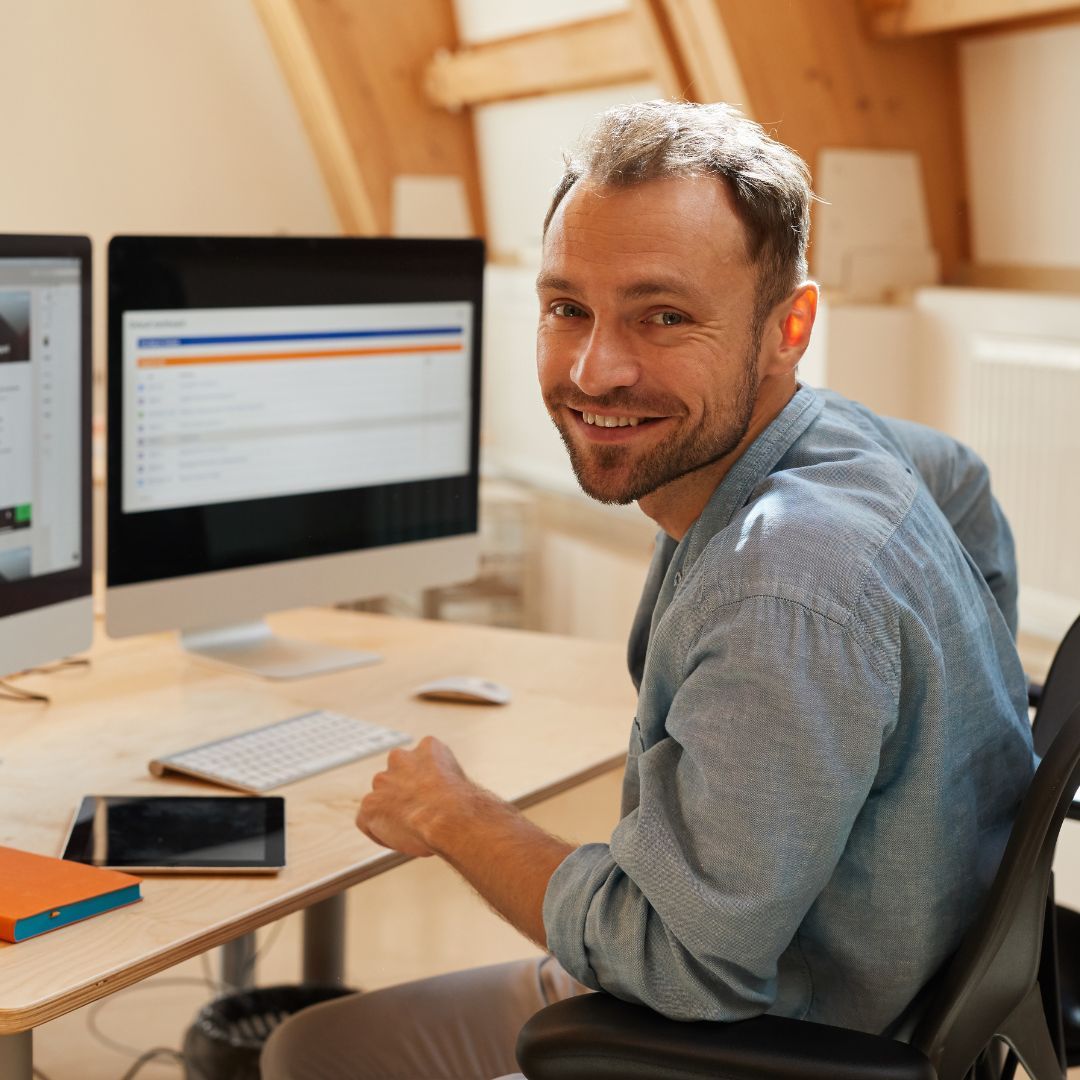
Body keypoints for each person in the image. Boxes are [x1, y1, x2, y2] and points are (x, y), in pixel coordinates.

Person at [262, 100, 1033, 1080]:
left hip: (748, 1039)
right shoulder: (840, 439)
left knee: (309, 1061)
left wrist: (455, 815)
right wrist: (951, 704)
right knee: (315, 1040)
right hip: (854, 983)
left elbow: (684, 965)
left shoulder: (783, 583)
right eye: (566, 308)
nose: (596, 368)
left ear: (786, 327)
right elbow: (962, 477)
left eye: (663, 316)